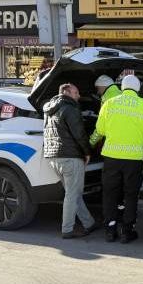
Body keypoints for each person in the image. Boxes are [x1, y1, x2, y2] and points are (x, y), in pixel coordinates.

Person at [90, 75, 143, 243]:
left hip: (111, 158)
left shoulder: (109, 103)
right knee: (130, 195)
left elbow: (100, 130)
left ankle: (110, 230)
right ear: (138, 89)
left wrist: (89, 143)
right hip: (134, 160)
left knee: (110, 195)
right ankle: (127, 231)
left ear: (122, 87)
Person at [43, 83, 100, 239]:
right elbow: (79, 134)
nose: (79, 96)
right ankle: (67, 229)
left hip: (53, 156)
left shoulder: (49, 109)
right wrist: (87, 152)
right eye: (76, 92)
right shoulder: (70, 108)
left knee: (74, 193)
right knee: (72, 194)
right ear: (67, 93)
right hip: (70, 157)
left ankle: (89, 223)